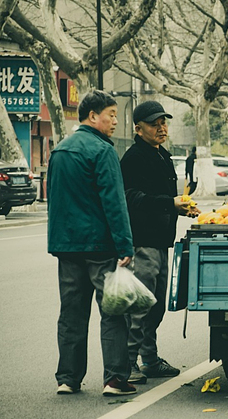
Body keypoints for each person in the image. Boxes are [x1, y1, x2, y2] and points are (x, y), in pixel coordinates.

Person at [47, 90, 137, 397]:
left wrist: (57, 241)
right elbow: (115, 203)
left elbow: (55, 203)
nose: (114, 121)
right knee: (113, 312)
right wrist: (125, 247)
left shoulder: (60, 151)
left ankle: (68, 378)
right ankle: (114, 379)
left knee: (71, 313)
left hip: (67, 247)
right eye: (110, 114)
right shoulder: (102, 151)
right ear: (92, 116)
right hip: (100, 247)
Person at [120, 101, 198, 384]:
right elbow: (132, 198)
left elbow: (165, 200)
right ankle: (127, 364)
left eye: (164, 122)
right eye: (155, 124)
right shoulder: (133, 158)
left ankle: (150, 360)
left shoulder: (161, 155)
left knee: (156, 306)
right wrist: (170, 203)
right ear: (139, 129)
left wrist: (181, 207)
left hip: (161, 241)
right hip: (143, 242)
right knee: (140, 306)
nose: (162, 128)